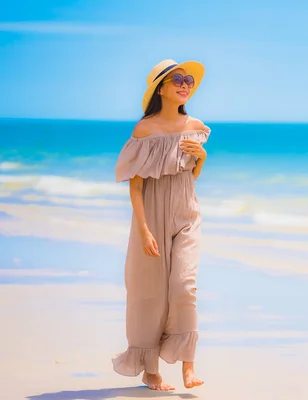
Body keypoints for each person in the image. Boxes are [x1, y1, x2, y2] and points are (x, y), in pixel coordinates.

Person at [112, 59, 210, 391]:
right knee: (149, 293)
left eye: (189, 80)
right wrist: (143, 229)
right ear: (161, 88)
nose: (185, 84)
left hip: (187, 212)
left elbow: (189, 175)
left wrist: (203, 158)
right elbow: (136, 185)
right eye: (178, 79)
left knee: (185, 285)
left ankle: (188, 365)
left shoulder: (195, 125)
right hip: (151, 214)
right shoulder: (145, 130)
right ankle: (149, 369)